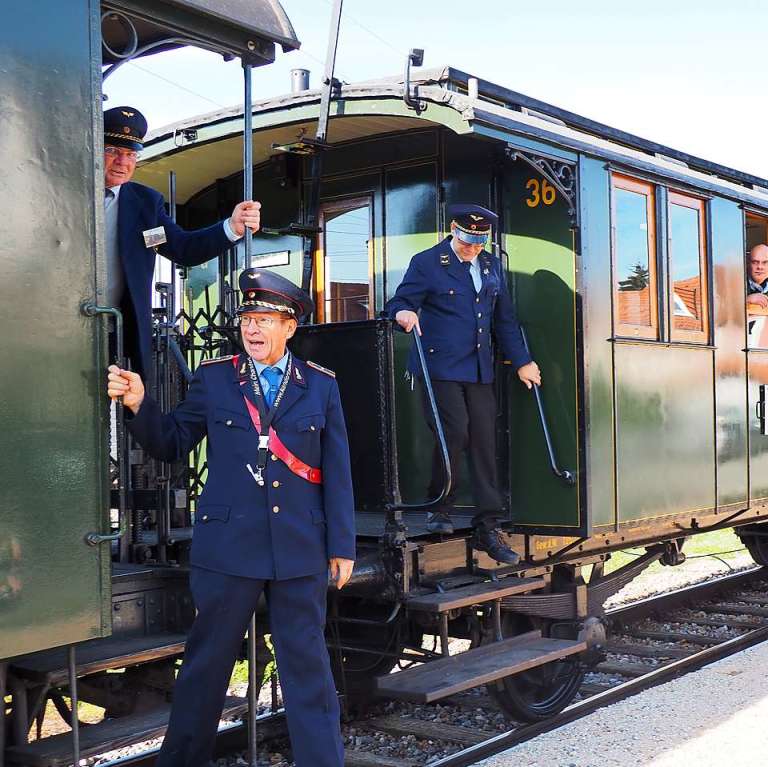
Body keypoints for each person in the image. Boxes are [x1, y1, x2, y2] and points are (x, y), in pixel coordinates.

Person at [107, 268, 355, 767]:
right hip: (228, 548)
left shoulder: (321, 387)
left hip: (299, 547)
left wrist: (342, 545)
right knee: (206, 667)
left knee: (307, 669)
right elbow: (173, 441)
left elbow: (337, 469)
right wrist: (140, 404)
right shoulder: (216, 378)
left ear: (290, 326)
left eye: (265, 319)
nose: (253, 329)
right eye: (248, 319)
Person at [384, 204, 541, 566]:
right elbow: (400, 301)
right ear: (453, 229)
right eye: (467, 239)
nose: (472, 247)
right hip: (439, 367)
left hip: (478, 369)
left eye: (479, 241)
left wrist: (522, 362)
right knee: (454, 433)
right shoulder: (427, 262)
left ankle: (487, 524)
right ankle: (440, 505)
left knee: (485, 439)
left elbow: (505, 318)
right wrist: (403, 313)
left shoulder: (489, 265)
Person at [102, 105, 262, 378]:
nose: (122, 161)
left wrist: (232, 228)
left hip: (114, 334)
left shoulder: (144, 207)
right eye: (112, 151)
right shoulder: (62, 191)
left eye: (130, 154)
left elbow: (181, 248)